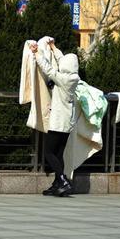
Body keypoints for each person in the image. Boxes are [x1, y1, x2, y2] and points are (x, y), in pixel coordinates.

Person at [29, 40, 80, 197]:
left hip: (58, 122)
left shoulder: (63, 79)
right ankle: (57, 184)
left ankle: (63, 181)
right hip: (67, 123)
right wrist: (53, 48)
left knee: (49, 153)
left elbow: (48, 69)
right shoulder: (72, 77)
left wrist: (37, 52)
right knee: (58, 155)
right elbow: (61, 60)